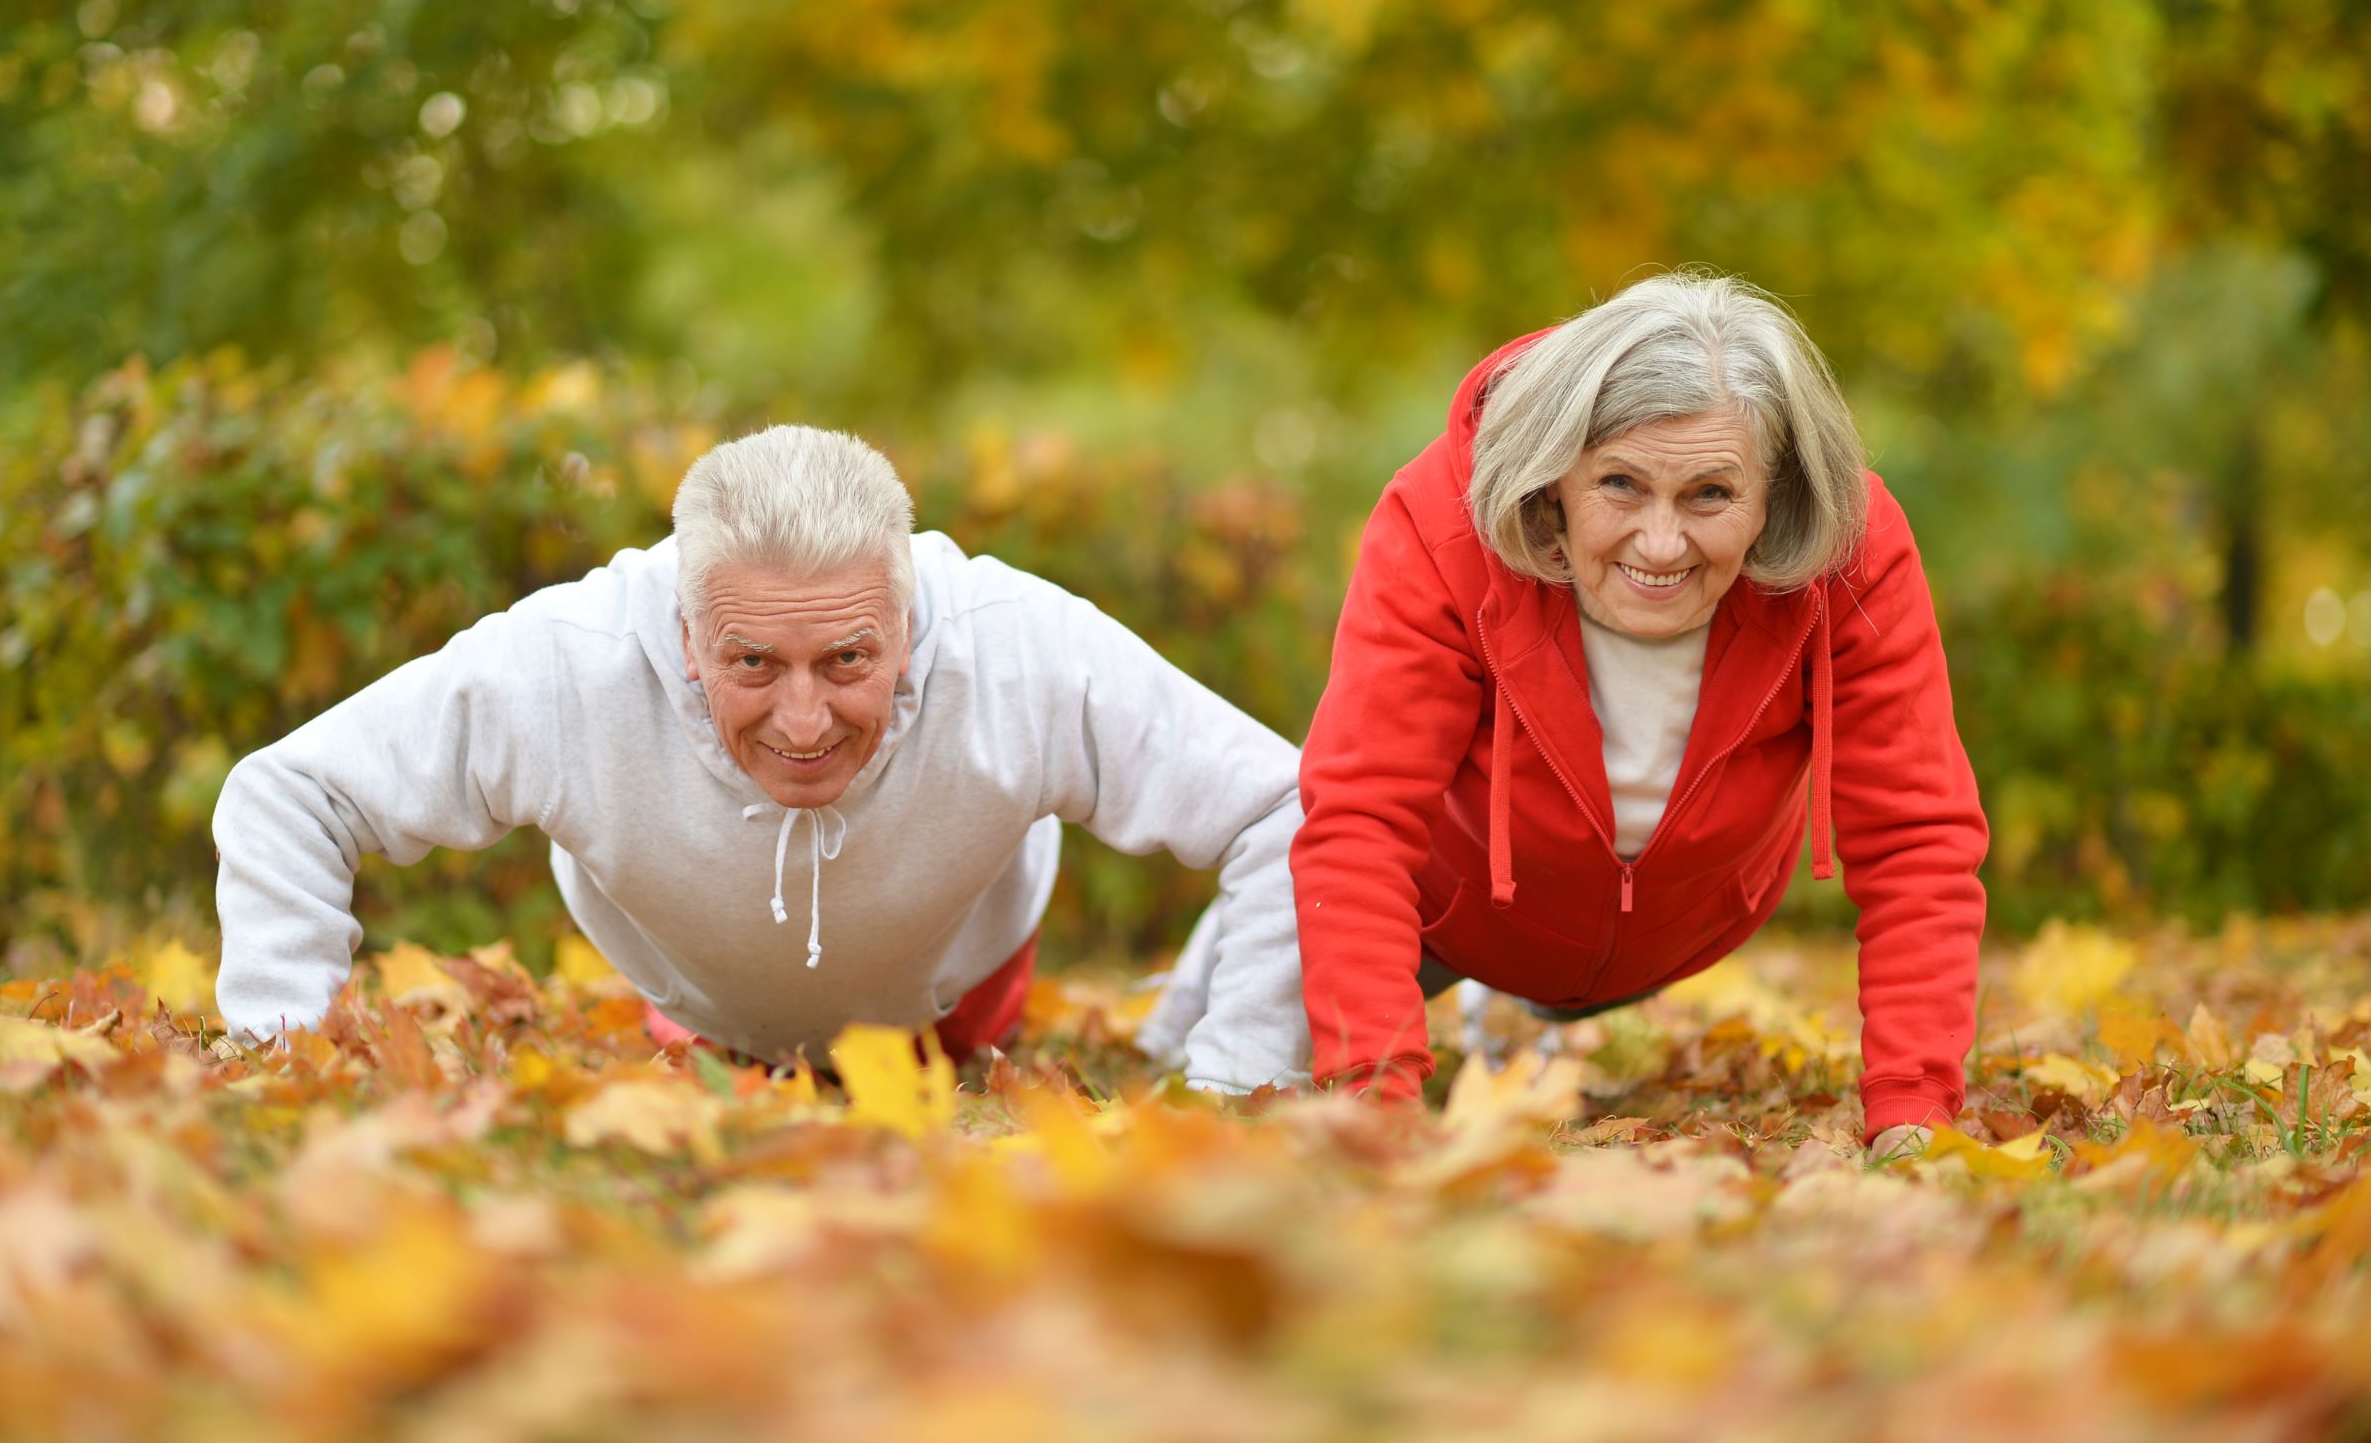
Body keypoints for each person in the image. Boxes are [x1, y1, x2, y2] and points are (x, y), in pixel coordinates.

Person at [213, 424, 1309, 1095]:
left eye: (846, 658)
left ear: (909, 614)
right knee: (722, 1051)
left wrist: (1239, 1077)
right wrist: (280, 1047)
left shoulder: (1023, 643)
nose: (800, 719)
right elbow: (290, 790)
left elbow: (1285, 808)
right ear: (683, 633)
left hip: (954, 1005)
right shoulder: (564, 660)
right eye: (749, 661)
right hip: (698, 1009)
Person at [1292, 272, 1988, 1157]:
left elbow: (1916, 835)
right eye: (1620, 485)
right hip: (1447, 910)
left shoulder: (1852, 551)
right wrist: (1376, 1108)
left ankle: (1513, 1016)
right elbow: (1358, 821)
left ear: (1775, 494)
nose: (1660, 545)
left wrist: (1914, 1111)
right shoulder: (1440, 525)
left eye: (1710, 495)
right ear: (1553, 480)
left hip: (1680, 925)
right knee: (1241, 1011)